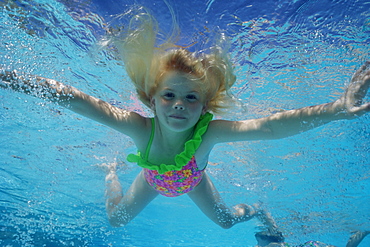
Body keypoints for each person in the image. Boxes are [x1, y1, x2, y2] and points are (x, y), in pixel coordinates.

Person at [1, 8, 370, 230]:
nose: (179, 105)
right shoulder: (139, 127)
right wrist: (15, 79)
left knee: (226, 221)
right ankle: (110, 172)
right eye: (170, 95)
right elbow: (78, 101)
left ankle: (259, 211)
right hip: (152, 181)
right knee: (115, 219)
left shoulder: (207, 134)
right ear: (152, 98)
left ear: (205, 103)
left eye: (191, 97)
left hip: (193, 181)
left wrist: (337, 108)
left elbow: (270, 126)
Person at [255, 229, 370, 247]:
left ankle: (362, 232)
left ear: (265, 239)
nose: (257, 244)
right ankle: (361, 233)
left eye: (258, 241)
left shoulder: (272, 245)